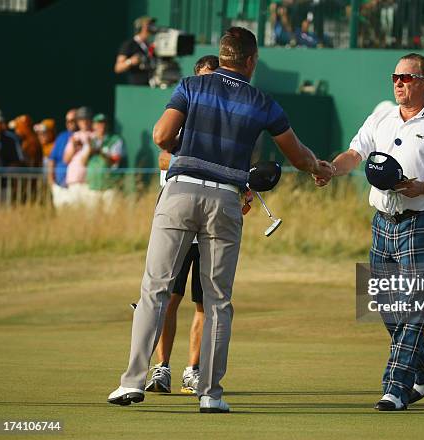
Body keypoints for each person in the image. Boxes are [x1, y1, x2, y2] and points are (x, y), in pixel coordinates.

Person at [107, 27, 333, 412]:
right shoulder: (263, 101)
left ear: (221, 55)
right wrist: (317, 166)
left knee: (155, 291)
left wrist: (187, 145)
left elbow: (162, 136)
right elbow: (296, 155)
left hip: (180, 193)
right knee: (217, 301)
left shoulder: (191, 86)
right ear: (250, 61)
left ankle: (132, 382)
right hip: (226, 201)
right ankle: (210, 394)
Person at [315, 53, 424, 411]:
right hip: (382, 222)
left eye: (407, 77)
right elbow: (355, 153)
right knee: (387, 308)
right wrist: (331, 169)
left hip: (420, 222)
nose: (399, 82)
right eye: (395, 77)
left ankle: (395, 388)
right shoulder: (382, 116)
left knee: (413, 307)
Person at [145, 55, 220, 395]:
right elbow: (162, 151)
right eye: (203, 77)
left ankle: (194, 369)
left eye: (213, 77)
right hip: (176, 223)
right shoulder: (181, 112)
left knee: (204, 303)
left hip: (208, 226)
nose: (208, 83)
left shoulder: (224, 124)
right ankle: (162, 369)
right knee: (168, 299)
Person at [63, 106, 93, 204]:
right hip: (74, 180)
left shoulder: (95, 136)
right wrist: (74, 146)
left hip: (89, 182)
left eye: (86, 119)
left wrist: (89, 145)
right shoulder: (74, 136)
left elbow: (84, 161)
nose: (84, 122)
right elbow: (66, 160)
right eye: (81, 119)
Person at [114, 16, 156, 85]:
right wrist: (130, 61)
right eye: (148, 26)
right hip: (137, 87)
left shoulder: (150, 46)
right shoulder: (129, 45)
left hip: (151, 86)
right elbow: (118, 67)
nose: (151, 29)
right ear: (139, 28)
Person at [48, 109, 77, 208]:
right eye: (67, 121)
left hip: (76, 186)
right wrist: (51, 182)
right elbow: (52, 160)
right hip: (60, 186)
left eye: (72, 120)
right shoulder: (61, 137)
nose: (69, 123)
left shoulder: (85, 136)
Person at [0, 109, 24, 206]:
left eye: (0, 122)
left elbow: (19, 161)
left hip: (5, 184)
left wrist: (5, 171)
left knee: (3, 212)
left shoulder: (11, 140)